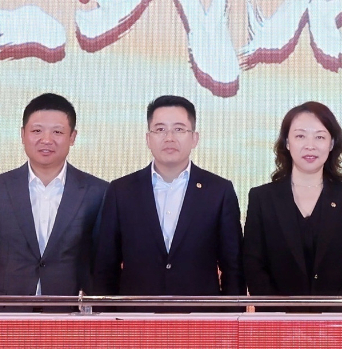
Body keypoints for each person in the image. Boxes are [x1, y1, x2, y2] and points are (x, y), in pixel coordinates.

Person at [92, 95, 243, 297]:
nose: (169, 138)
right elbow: (105, 266)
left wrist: (232, 313)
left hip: (201, 313)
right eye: (160, 129)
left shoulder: (219, 190)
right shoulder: (121, 191)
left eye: (179, 129)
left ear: (194, 138)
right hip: (135, 313)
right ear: (148, 139)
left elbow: (233, 267)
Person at [0, 93, 107, 299]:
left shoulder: (97, 191)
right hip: (10, 307)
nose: (46, 140)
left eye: (57, 132)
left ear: (72, 137)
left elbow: (101, 258)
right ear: (23, 134)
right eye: (37, 131)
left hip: (71, 308)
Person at [241, 100, 342, 303]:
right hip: (276, 318)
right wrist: (279, 314)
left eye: (319, 137)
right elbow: (253, 265)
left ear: (331, 143)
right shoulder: (262, 198)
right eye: (300, 136)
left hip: (337, 319)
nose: (310, 145)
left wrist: (338, 314)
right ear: (287, 142)